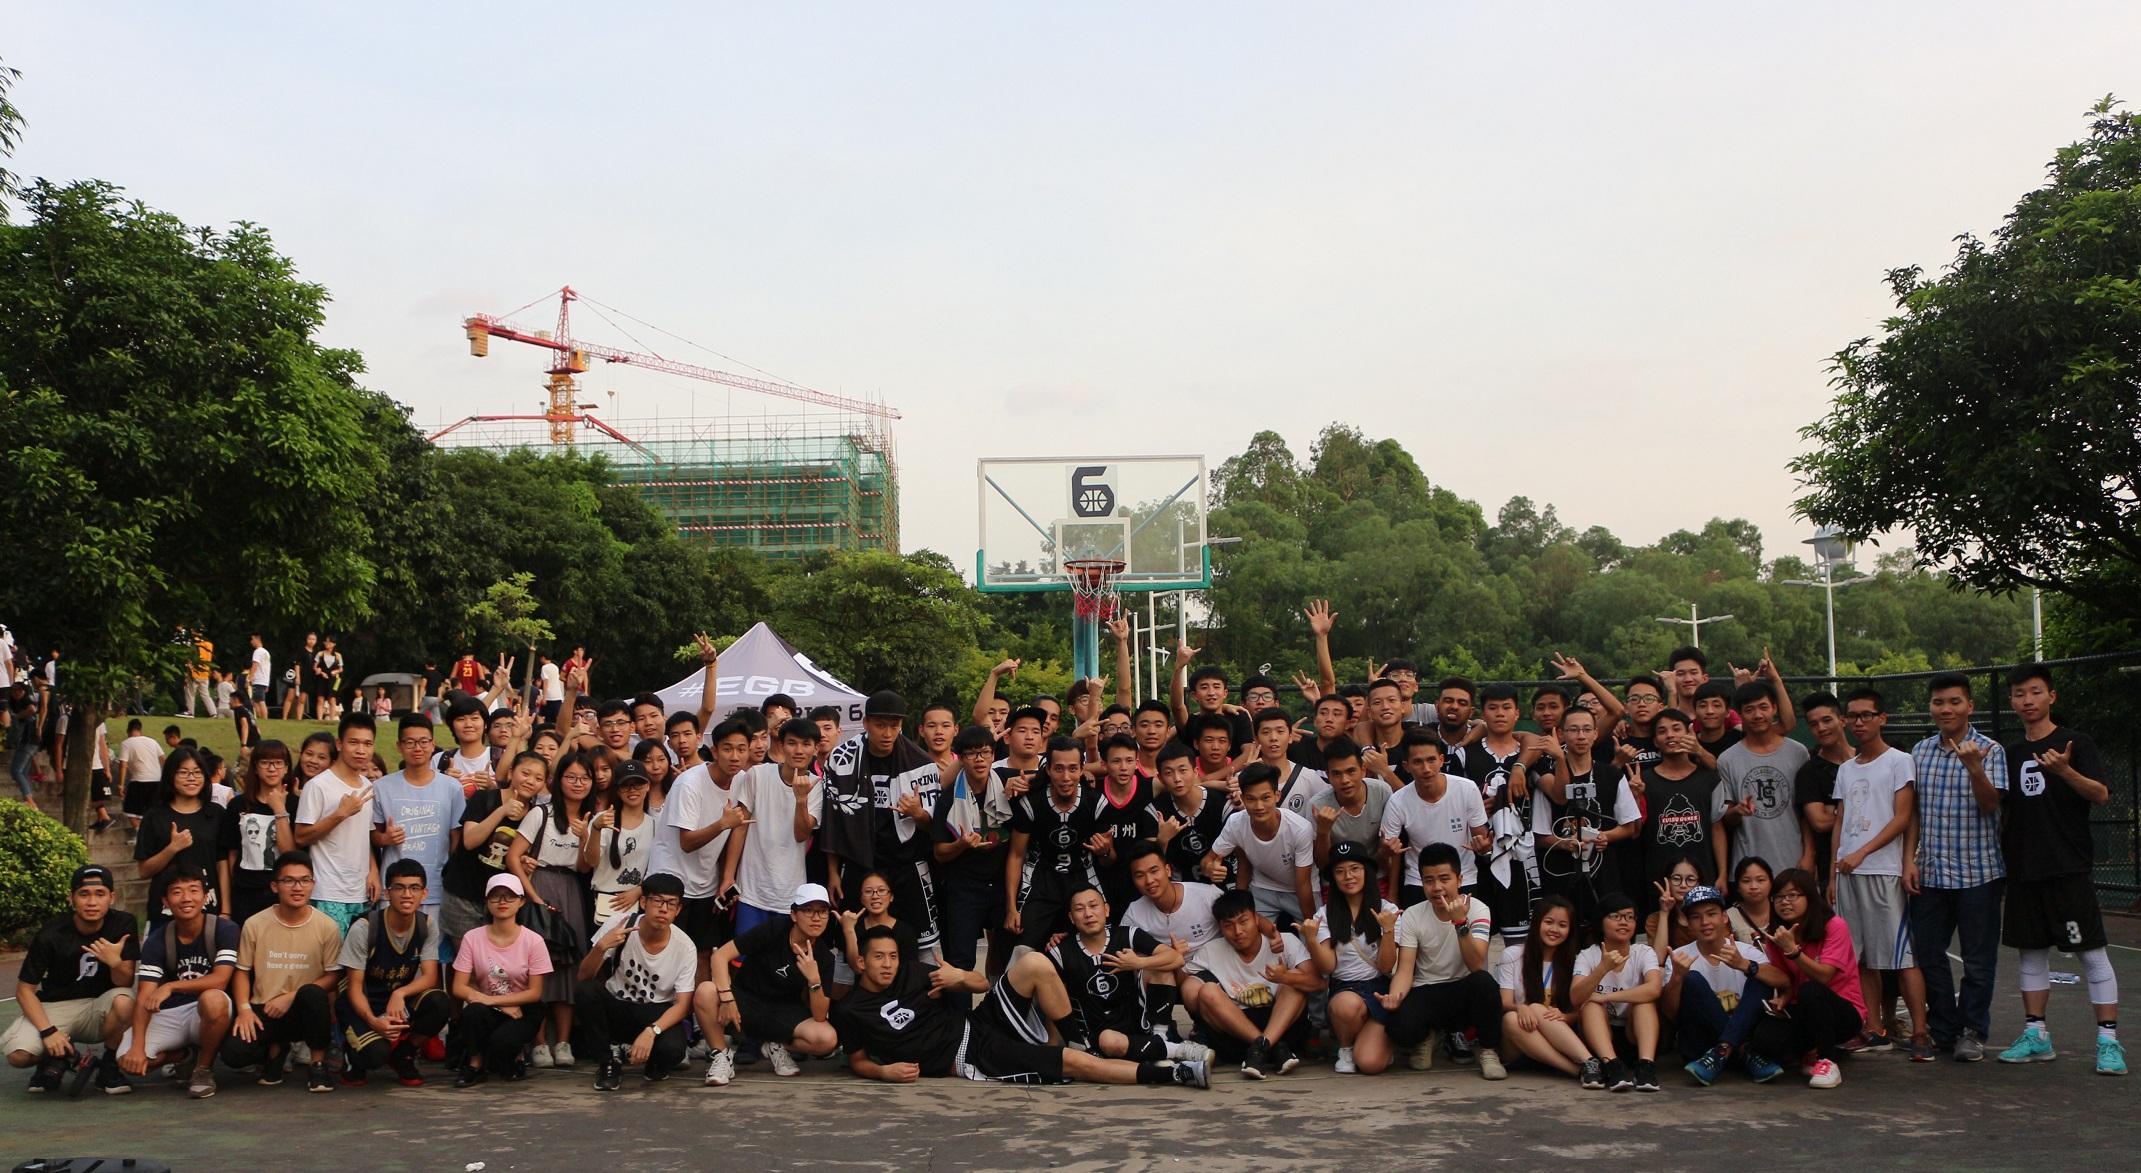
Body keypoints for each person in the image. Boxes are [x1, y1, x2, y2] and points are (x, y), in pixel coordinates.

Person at [832, 925, 1210, 1089]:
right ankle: (1176, 1075)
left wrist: (960, 977)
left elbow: (981, 984)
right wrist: (884, 1073)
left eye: (893, 956)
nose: (888, 964)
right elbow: (858, 1060)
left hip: (977, 1021)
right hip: (972, 1055)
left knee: (1034, 963)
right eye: (878, 957)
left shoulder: (912, 972)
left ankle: (1080, 1040)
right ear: (860, 962)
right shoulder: (852, 1011)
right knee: (1075, 1065)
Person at [1997, 663, 2124, 1075]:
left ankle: (2108, 1042)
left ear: (2051, 696)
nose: (2027, 700)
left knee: (2091, 953)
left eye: (2035, 692)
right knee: (2031, 954)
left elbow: (2100, 795)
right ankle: (2036, 1035)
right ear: (2012, 700)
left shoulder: (2076, 742)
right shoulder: (2009, 753)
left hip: (2068, 867)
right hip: (2023, 870)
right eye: (2019, 694)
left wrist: (2065, 771)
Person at [1907, 672, 2007, 1062]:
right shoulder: (1920, 752)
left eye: (1954, 701)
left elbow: (1991, 805)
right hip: (1931, 873)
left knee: (1978, 960)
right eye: (1938, 702)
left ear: (1970, 706)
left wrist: (1975, 768)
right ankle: (1943, 1029)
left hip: (1979, 873)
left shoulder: (1990, 750)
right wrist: (1909, 860)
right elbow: (1913, 813)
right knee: (1928, 954)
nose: (1946, 709)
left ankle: (1972, 1031)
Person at [1830, 688, 1931, 1060]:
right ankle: (1874, 1029)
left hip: (1883, 871)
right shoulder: (1846, 769)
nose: (1859, 722)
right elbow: (1840, 821)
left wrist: (1863, 853)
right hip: (1848, 874)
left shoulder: (1900, 761)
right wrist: (1833, 873)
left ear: (1882, 718)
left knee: (1902, 957)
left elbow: (1903, 817)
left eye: (1866, 715)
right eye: (1852, 716)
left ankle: (1920, 1033)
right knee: (1861, 958)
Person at [820, 691, 943, 954]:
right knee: (851, 941)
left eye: (894, 725)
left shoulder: (920, 763)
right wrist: (833, 872)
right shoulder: (842, 758)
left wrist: (917, 813)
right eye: (880, 725)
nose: (888, 733)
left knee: (918, 945)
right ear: (865, 723)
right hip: (858, 862)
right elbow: (833, 821)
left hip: (905, 863)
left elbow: (931, 824)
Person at [6, 865, 138, 1094]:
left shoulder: (123, 924)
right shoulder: (51, 934)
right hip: (56, 1006)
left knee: (125, 1001)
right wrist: (48, 1032)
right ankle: (56, 1057)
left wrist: (114, 963)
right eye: (84, 894)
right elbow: (24, 991)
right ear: (71, 898)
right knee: (18, 1056)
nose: (92, 902)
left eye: (100, 894)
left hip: (99, 1007)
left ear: (111, 897)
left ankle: (109, 1067)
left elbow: (124, 982)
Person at [1380, 843, 1506, 1079]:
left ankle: (1488, 1050)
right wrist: (1394, 997)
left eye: (1444, 879)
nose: (1437, 887)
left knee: (1485, 984)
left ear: (1459, 880)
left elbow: (1476, 964)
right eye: (1429, 880)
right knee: (1397, 1026)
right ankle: (1428, 1036)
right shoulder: (1413, 914)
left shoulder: (1478, 910)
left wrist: (1460, 923)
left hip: (1463, 988)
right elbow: (1405, 969)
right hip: (1427, 989)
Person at [695, 882, 839, 1085]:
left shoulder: (824, 956)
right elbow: (720, 956)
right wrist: (727, 998)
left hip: (783, 1010)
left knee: (827, 1039)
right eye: (808, 910)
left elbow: (820, 1015)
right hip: (745, 1000)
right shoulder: (775, 929)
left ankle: (777, 1046)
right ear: (794, 914)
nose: (816, 918)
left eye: (822, 911)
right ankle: (721, 1056)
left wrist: (814, 979)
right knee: (705, 991)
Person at [223, 851, 344, 1093]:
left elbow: (333, 976)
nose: (297, 887)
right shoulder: (255, 924)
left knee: (313, 994)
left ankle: (318, 1064)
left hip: (305, 1009)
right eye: (289, 881)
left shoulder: (327, 926)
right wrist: (244, 1010)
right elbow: (242, 971)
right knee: (234, 1054)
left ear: (313, 884)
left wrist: (291, 996)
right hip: (265, 1008)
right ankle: (276, 1051)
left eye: (304, 880)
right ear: (274, 886)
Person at [509, 749, 598, 1069]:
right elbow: (513, 856)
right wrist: (532, 896)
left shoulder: (591, 819)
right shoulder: (541, 813)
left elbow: (585, 867)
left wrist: (587, 836)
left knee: (568, 966)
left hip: (571, 889)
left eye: (584, 778)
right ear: (558, 780)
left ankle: (563, 1041)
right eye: (571, 777)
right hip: (540, 885)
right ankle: (538, 1042)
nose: (578, 783)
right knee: (535, 966)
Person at [1048, 885, 1202, 1068]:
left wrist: (1138, 963)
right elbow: (1051, 998)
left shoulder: (1127, 935)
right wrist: (1055, 1045)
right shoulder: (1060, 951)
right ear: (1071, 918)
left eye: (1093, 906)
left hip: (1136, 1024)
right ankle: (1171, 1050)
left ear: (1106, 909)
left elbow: (1175, 958)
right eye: (1080, 909)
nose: (1088, 914)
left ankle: (1159, 1038)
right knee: (1109, 1040)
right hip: (1097, 1036)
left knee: (1160, 966)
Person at [119, 866, 237, 1098]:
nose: (186, 898)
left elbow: (221, 980)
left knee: (213, 999)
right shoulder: (157, 940)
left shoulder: (224, 929)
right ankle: (184, 1057)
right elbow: (144, 996)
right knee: (127, 1060)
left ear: (205, 896)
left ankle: (203, 1069)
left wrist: (171, 986)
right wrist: (137, 1046)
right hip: (172, 1013)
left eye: (193, 890)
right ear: (165, 901)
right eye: (177, 892)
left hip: (207, 1011)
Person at [575, 872, 698, 1091]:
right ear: (643, 902)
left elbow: (682, 1005)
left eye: (671, 904)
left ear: (678, 910)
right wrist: (601, 947)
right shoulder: (620, 924)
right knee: (586, 991)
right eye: (657, 901)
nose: (663, 909)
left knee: (673, 1051)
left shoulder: (685, 947)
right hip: (618, 1006)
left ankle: (652, 1061)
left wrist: (652, 1031)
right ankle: (607, 1061)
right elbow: (583, 977)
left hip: (656, 1011)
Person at [1746, 867, 1864, 1089]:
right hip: (1802, 1008)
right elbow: (1785, 978)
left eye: (1792, 895)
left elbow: (1824, 976)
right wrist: (1784, 995)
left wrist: (1793, 951)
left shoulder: (1834, 926)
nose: (1784, 902)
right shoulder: (1777, 934)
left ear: (1809, 897)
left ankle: (1827, 1061)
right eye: (1778, 897)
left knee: (1811, 990)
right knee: (1765, 1038)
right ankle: (1810, 1049)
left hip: (1843, 1012)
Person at [335, 859, 449, 1087]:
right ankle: (352, 1059)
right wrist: (373, 1021)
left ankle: (404, 1054)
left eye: (414, 888)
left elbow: (430, 977)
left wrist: (400, 994)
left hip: (395, 1002)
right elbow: (354, 988)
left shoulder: (427, 925)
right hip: (362, 1002)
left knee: (439, 1002)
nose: (407, 895)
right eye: (399, 888)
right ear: (387, 893)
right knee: (375, 1055)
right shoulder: (365, 928)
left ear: (424, 893)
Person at [1662, 883, 1790, 1086]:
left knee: (1758, 976)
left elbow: (1783, 981)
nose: (1705, 922)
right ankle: (1742, 1051)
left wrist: (1744, 965)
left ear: (1724, 917)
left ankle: (1724, 1050)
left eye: (1711, 914)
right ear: (1688, 923)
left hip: (1741, 1038)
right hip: (1703, 1047)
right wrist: (1677, 977)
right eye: (1696, 917)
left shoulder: (1745, 951)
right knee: (1691, 978)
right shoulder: (1679, 957)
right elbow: (1670, 1014)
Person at [656, 717, 753, 978]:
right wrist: (722, 824)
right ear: (714, 751)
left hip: (706, 885)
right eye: (727, 748)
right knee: (668, 953)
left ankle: (698, 1004)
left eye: (741, 749)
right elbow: (686, 842)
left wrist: (727, 876)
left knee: (703, 952)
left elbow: (739, 827)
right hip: (671, 880)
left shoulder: (743, 780)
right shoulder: (689, 783)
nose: (735, 756)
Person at [441, 750, 547, 971]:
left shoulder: (536, 814)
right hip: (464, 896)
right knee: (466, 967)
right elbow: (469, 841)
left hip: (501, 903)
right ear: (510, 772)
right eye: (525, 773)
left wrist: (524, 861)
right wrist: (502, 811)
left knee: (494, 969)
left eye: (539, 778)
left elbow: (518, 857)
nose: (530, 781)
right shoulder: (484, 798)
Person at [1301, 841, 1399, 1075]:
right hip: (1345, 989)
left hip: (1380, 990)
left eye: (1355, 868)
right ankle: (1346, 1047)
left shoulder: (1388, 910)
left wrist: (1388, 930)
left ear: (1367, 871)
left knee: (1370, 1064)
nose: (1348, 876)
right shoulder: (1324, 914)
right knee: (1346, 1006)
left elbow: (1387, 966)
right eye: (1340, 871)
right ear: (1333, 878)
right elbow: (1328, 966)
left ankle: (1376, 1042)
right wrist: (1312, 940)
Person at [449, 873, 550, 1087]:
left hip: (523, 1008)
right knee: (472, 1013)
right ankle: (475, 1064)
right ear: (487, 901)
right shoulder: (472, 938)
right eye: (495, 896)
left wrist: (493, 1001)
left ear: (521, 901)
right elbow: (458, 987)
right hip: (488, 1006)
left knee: (503, 1041)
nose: (502, 902)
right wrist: (494, 1003)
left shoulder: (534, 941)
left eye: (510, 896)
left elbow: (535, 992)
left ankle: (515, 1057)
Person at [727, 717, 825, 937]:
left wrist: (801, 800)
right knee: (744, 954)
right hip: (751, 890)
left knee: (782, 955)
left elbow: (801, 835)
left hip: (789, 893)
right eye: (792, 743)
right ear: (781, 745)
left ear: (815, 749)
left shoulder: (816, 786)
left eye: (806, 744)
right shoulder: (758, 775)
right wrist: (728, 876)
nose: (798, 750)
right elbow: (740, 827)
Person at [1005, 735, 1102, 950]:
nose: (1066, 777)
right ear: (1048, 769)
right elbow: (1016, 855)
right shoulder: (1031, 803)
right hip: (1041, 882)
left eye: (1073, 769)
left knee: (1087, 946)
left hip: (1082, 879)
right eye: (1058, 769)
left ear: (1082, 769)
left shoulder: (1095, 802)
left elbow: (1109, 857)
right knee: (1022, 949)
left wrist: (1105, 851)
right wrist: (1011, 908)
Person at [932, 724, 1013, 973]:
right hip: (964, 888)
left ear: (993, 755)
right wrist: (961, 845)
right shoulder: (948, 799)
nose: (979, 759)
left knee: (1011, 955)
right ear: (961, 758)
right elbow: (939, 853)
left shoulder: (1008, 787)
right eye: (971, 754)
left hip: (1002, 885)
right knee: (961, 960)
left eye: (985, 752)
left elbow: (1041, 774)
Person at [1377, 732, 1489, 907]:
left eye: (1431, 760)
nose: (1426, 769)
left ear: (1441, 760)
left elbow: (1481, 839)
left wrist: (1483, 846)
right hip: (1418, 880)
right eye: (1417, 762)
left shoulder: (1467, 789)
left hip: (1463, 877)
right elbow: (1388, 850)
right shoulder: (1397, 801)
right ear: (1406, 766)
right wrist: (1387, 852)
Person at [371, 714, 465, 923]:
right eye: (410, 742)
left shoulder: (452, 788)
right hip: (394, 888)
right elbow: (372, 835)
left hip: (436, 887)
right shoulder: (381, 787)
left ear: (433, 744)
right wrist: (385, 839)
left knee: (432, 941)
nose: (417, 748)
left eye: (423, 742)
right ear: (399, 746)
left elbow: (456, 838)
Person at [1495, 896, 1599, 1083]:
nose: (1554, 930)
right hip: (1520, 1043)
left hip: (1559, 1042)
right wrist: (1520, 1007)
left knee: (1536, 1008)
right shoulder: (1513, 955)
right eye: (1549, 922)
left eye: (1562, 925)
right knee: (1512, 1018)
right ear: (1536, 923)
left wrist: (1566, 1017)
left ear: (1570, 930)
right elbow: (1505, 1002)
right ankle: (1577, 1070)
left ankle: (1588, 1063)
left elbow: (1581, 1010)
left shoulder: (1575, 962)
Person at [292, 714, 381, 932]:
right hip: (327, 892)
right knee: (330, 954)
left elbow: (363, 836)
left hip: (361, 892)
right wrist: (340, 814)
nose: (361, 750)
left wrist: (373, 871)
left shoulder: (367, 785)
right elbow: (301, 836)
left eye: (367, 744)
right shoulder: (318, 786)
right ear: (340, 744)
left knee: (359, 954)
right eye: (354, 742)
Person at [1715, 681, 1814, 875]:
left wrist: (1809, 855)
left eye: (1763, 707)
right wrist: (1737, 811)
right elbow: (1724, 818)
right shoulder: (1727, 759)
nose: (1758, 715)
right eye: (1749, 710)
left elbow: (1807, 812)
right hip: (1748, 869)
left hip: (1794, 861)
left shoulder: (1798, 752)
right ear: (1739, 714)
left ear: (1774, 708)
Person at [1202, 765, 1317, 930]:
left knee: (1314, 936)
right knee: (1248, 935)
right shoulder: (1235, 823)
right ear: (1242, 798)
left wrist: (1310, 924)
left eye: (1265, 798)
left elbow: (1303, 884)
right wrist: (1209, 869)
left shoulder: (1299, 828)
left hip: (1299, 889)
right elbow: (1208, 861)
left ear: (1277, 796)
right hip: (1262, 886)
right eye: (1251, 799)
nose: (1259, 806)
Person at [1572, 892, 1664, 1093]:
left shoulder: (1643, 952)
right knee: (1590, 1005)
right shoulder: (1587, 955)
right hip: (1600, 1038)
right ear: (1601, 922)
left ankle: (1646, 1067)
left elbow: (1654, 988)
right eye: (1616, 916)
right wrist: (1602, 969)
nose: (1624, 922)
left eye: (1630, 917)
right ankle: (1612, 1066)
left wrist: (1606, 997)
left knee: (1644, 1002)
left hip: (1634, 1035)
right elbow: (1576, 997)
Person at [135, 747, 226, 930]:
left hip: (209, 909)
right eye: (183, 772)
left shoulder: (216, 814)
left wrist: (226, 910)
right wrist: (172, 848)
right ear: (171, 776)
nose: (191, 778)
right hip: (165, 912)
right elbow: (143, 871)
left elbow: (222, 864)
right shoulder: (155, 817)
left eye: (197, 772)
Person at [1636, 708, 1724, 888]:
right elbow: (1635, 831)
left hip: (1703, 873)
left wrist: (1722, 873)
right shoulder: (1643, 781)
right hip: (1659, 878)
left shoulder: (1709, 778)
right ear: (1655, 741)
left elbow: (1717, 827)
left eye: (1676, 729)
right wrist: (1636, 795)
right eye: (1662, 731)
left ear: (1690, 734)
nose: (1670, 735)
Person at [221, 741, 296, 924]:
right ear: (255, 768)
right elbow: (232, 852)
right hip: (245, 894)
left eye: (278, 763)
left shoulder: (296, 804)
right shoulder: (238, 805)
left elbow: (289, 853)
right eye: (265, 762)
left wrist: (279, 810)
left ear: (286, 768)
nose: (272, 768)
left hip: (282, 893)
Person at [1120, 840, 1227, 958]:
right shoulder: (1134, 914)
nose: (1149, 880)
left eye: (1154, 871)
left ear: (1168, 870)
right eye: (1140, 876)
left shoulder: (1208, 896)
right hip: (1168, 967)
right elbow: (1122, 953)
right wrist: (1168, 956)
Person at [585, 759, 656, 926]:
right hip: (603, 900)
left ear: (647, 786)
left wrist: (639, 890)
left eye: (638, 784)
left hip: (638, 901)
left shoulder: (654, 824)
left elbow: (659, 866)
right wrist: (596, 829)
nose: (632, 790)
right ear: (617, 790)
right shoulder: (602, 819)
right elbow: (591, 862)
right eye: (626, 785)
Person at [1153, 739, 1229, 884]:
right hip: (1180, 887)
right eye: (1168, 773)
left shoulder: (1222, 802)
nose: (1177, 779)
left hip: (1225, 882)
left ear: (1195, 772)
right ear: (1160, 778)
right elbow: (1149, 863)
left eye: (1183, 771)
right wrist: (1162, 840)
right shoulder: (1156, 810)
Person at [1797, 692, 1852, 889]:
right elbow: (1819, 822)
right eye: (1814, 724)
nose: (1821, 728)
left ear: (1842, 720)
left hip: (1875, 859)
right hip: (1830, 865)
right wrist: (1859, 811)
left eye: (1827, 720)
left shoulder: (1865, 759)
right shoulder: (1809, 771)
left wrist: (1834, 811)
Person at [1310, 738, 1391, 869]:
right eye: (1336, 774)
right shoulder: (1317, 806)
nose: (1345, 780)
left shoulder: (1382, 791)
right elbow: (1322, 864)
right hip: (1337, 874)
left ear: (1363, 769)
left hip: (1376, 870)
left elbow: (1391, 846)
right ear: (1328, 775)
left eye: (1351, 771)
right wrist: (1323, 832)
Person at [114, 718, 166, 835]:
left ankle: (142, 834)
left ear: (128, 730)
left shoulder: (127, 743)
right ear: (140, 730)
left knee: (130, 812)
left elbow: (123, 765)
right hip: (156, 781)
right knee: (151, 811)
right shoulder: (152, 741)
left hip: (139, 781)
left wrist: (121, 785)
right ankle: (149, 834)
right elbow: (163, 759)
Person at [1647, 858, 1703, 953]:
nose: (1683, 885)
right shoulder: (1654, 919)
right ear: (1667, 881)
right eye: (1676, 879)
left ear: (1698, 884)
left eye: (1690, 879)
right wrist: (1664, 913)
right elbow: (1658, 958)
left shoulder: (1709, 916)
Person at [1727, 856, 1776, 944]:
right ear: (1738, 886)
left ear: (1771, 883)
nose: (1754, 886)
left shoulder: (1781, 909)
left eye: (1760, 880)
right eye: (1746, 881)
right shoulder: (1729, 917)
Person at [248, 633, 271, 721]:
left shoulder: (257, 651)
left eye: (252, 639)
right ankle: (261, 719)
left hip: (258, 679)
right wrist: (267, 683)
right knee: (256, 700)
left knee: (260, 701)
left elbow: (255, 665)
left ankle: (264, 719)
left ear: (257, 639)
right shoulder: (266, 652)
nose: (251, 642)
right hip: (264, 680)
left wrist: (250, 677)